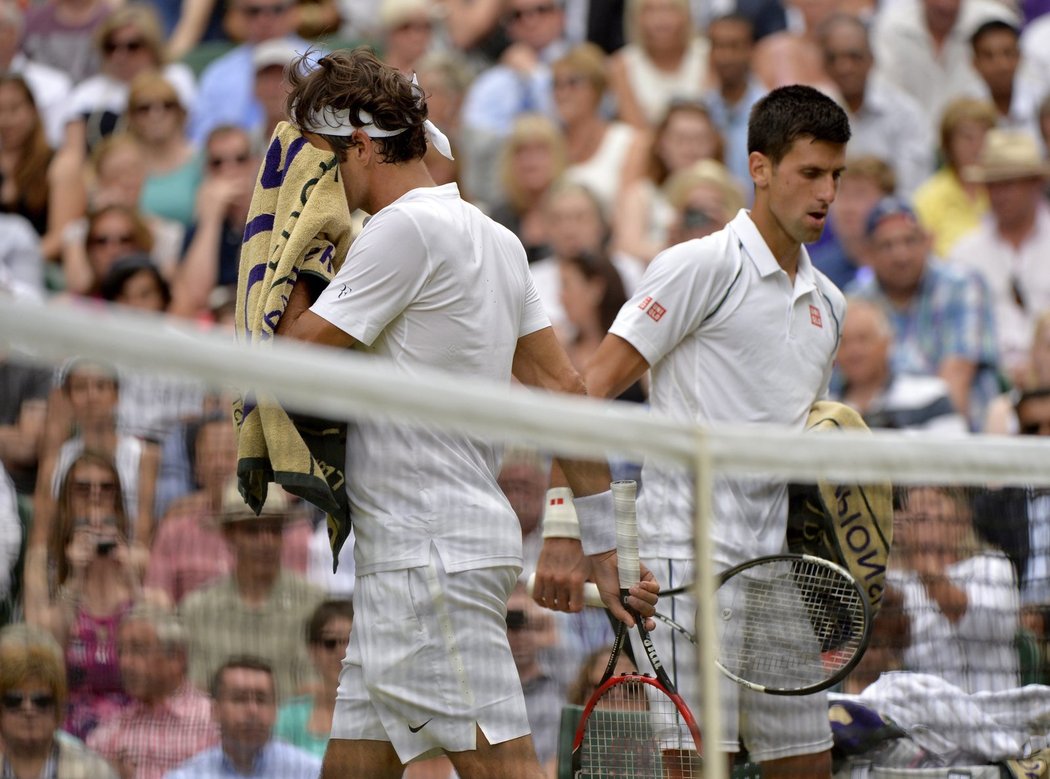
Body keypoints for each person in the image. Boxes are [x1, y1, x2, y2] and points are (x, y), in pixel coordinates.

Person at [275, 47, 657, 779]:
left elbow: (295, 364)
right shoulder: (498, 238)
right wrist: (607, 550)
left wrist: (284, 255)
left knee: (505, 770)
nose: (315, 177)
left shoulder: (401, 231)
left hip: (428, 562)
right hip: (425, 558)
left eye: (322, 157)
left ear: (360, 145)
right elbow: (564, 392)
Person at [536, 84, 851, 778]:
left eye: (836, 175)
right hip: (681, 566)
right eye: (809, 172)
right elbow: (584, 392)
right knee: (697, 770)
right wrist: (563, 528)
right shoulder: (697, 265)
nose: (826, 192)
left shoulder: (830, 304)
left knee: (809, 766)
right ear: (760, 167)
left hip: (773, 575)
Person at [847, 196, 1000, 429]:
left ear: (928, 241)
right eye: (886, 245)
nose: (901, 255)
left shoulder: (962, 285)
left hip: (959, 431)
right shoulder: (856, 301)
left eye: (910, 241)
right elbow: (853, 384)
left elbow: (955, 386)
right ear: (868, 253)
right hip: (880, 432)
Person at [22, 451, 139, 740]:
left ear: (119, 501)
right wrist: (74, 579)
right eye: (83, 488)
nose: (95, 497)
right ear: (66, 501)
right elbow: (43, 649)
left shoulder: (137, 561)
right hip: (65, 720)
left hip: (134, 720)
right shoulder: (43, 564)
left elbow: (160, 646)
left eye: (106, 488)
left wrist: (130, 580)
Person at [179, 482, 323, 702]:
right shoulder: (197, 609)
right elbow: (196, 694)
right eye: (252, 530)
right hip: (218, 733)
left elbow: (316, 691)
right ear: (229, 535)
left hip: (294, 733)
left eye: (274, 529)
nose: (266, 541)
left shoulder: (314, 603)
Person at [888, 485, 1020, 693]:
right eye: (912, 507)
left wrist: (926, 569)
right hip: (921, 718)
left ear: (962, 519)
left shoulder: (992, 566)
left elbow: (983, 626)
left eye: (933, 504)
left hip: (990, 713)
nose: (921, 513)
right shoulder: (896, 582)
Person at [948, 129, 1050, 385]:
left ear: (1035, 183)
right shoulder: (964, 253)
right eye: (992, 185)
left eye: (1008, 183)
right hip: (986, 382)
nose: (998, 194)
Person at [87, 604, 219, 779]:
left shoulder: (214, 724)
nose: (125, 663)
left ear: (176, 658)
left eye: (138, 650)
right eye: (121, 652)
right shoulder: (109, 734)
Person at [817, 12, 933, 198]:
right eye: (833, 58)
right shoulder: (810, 112)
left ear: (871, 59)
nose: (844, 67)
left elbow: (914, 188)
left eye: (854, 56)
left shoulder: (905, 113)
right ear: (823, 64)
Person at [164, 657, 322, 778]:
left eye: (261, 700)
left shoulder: (309, 772)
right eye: (239, 699)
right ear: (215, 710)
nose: (252, 710)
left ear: (275, 711)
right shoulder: (188, 775)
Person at [612, 99, 725, 264]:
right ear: (661, 144)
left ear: (714, 144)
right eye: (680, 139)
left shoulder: (731, 193)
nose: (691, 149)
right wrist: (671, 243)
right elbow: (625, 248)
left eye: (700, 139)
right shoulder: (642, 195)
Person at [834, 297, 969, 433]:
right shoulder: (824, 408)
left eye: (863, 339)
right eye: (843, 343)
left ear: (886, 342)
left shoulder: (931, 397)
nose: (853, 351)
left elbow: (954, 452)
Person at [0, 623, 118, 779]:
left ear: (58, 706)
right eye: (14, 700)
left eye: (41, 701)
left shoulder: (93, 772)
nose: (28, 709)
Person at [553, 43, 647, 218]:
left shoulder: (629, 142)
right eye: (556, 84)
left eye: (573, 83)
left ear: (597, 89)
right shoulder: (550, 142)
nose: (562, 92)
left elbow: (627, 212)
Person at [912, 96, 998, 258]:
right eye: (967, 137)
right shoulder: (928, 197)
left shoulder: (1007, 190)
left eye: (985, 136)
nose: (978, 146)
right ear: (948, 144)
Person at [606, 0, 709, 129]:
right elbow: (635, 129)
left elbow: (714, 118)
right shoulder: (620, 65)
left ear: (686, 14)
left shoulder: (708, 56)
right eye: (650, 10)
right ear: (636, 17)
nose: (660, 21)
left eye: (669, 9)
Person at [274, 599, 355, 758]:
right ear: (312, 651)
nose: (342, 652)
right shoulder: (287, 717)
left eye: (352, 641)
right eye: (330, 643)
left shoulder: (385, 715)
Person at [703, 13, 767, 196]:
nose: (725, 56)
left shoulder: (772, 113)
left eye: (734, 46)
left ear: (751, 50)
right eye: (718, 46)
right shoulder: (703, 110)